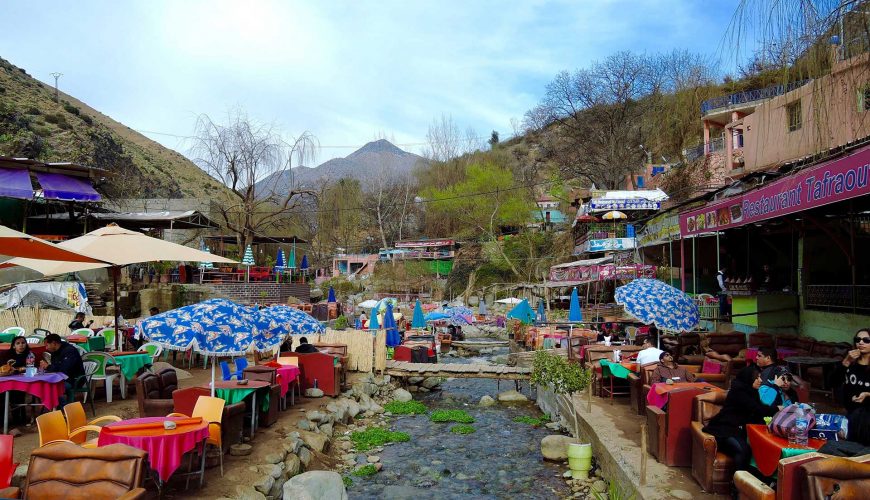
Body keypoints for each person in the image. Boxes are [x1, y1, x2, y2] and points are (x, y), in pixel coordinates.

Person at [702, 366, 779, 477]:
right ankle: (737, 487)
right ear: (748, 378)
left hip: (739, 430)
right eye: (757, 377)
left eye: (760, 377)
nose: (761, 380)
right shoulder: (738, 391)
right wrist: (777, 409)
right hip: (724, 429)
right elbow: (757, 409)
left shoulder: (752, 391)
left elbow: (758, 412)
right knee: (743, 450)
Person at [832, 328, 870, 417]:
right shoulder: (850, 362)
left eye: (866, 340)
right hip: (851, 414)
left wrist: (867, 394)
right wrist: (846, 362)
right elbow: (833, 382)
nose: (860, 342)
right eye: (857, 340)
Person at [40, 334, 85, 401]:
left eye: (47, 345)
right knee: (43, 385)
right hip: (61, 378)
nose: (46, 348)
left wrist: (48, 367)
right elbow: (56, 366)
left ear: (54, 343)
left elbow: (65, 368)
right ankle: (56, 406)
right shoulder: (54, 351)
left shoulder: (70, 351)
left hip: (74, 380)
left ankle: (63, 407)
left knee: (51, 388)